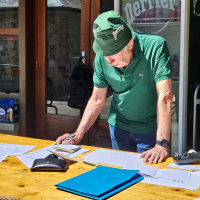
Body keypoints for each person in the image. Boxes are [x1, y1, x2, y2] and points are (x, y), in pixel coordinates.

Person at [56, 10, 173, 164]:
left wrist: (162, 144)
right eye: (105, 56)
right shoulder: (102, 58)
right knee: (120, 175)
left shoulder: (155, 47)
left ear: (130, 43)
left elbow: (165, 97)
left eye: (113, 55)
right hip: (118, 127)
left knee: (148, 177)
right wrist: (78, 134)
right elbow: (97, 99)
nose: (108, 62)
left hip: (149, 129)